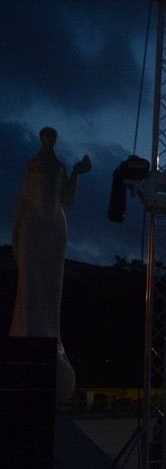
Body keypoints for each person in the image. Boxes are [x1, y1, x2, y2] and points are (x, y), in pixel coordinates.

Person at [10, 127, 91, 400]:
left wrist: (77, 173)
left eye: (53, 137)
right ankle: (26, 338)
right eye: (46, 137)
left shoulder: (59, 167)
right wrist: (16, 233)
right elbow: (23, 198)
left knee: (51, 288)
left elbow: (66, 199)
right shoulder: (33, 165)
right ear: (42, 139)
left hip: (55, 225)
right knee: (30, 283)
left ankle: (49, 340)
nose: (50, 140)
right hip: (33, 223)